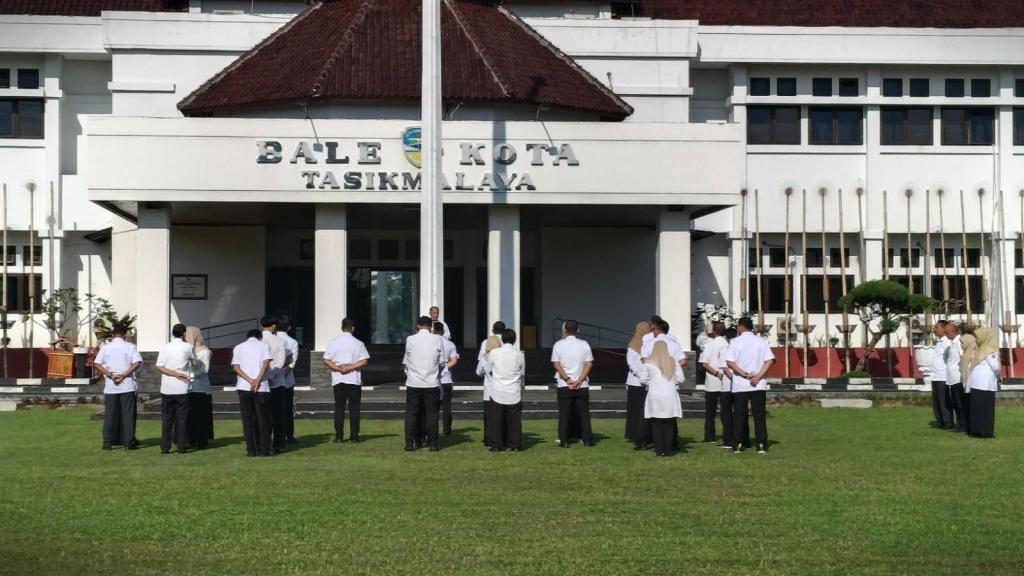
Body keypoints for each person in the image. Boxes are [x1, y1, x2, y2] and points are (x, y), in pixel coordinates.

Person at [725, 316, 775, 454]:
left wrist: (744, 374)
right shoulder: (761, 341)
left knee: (739, 415)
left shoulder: (735, 342)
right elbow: (770, 360)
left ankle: (738, 444)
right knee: (759, 415)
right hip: (758, 384)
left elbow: (730, 362)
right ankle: (761, 444)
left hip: (740, 384)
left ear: (741, 327)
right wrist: (758, 376)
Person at [94, 324, 143, 451]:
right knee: (128, 415)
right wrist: (124, 374)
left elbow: (97, 364)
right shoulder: (130, 346)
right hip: (126, 384)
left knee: (110, 414)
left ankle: (107, 442)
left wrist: (110, 375)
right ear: (125, 333)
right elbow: (137, 363)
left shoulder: (106, 347)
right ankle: (128, 442)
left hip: (111, 385)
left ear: (113, 334)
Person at [323, 317, 370, 443]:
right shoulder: (358, 343)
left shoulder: (333, 342)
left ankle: (339, 436)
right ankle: (354, 436)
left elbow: (326, 360)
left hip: (338, 379)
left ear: (341, 327)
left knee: (339, 407)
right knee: (354, 408)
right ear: (353, 328)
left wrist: (339, 368)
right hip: (353, 378)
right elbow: (364, 361)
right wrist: (350, 367)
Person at [403, 316, 446, 451]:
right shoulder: (437, 339)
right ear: (431, 326)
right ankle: (433, 443)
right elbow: (442, 362)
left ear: (418, 326)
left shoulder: (410, 339)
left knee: (412, 414)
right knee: (432, 414)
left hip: (413, 382)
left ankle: (410, 443)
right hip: (431, 382)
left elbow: (407, 361)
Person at [551, 319, 595, 447]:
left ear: (564, 330)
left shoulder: (558, 345)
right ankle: (587, 439)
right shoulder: (585, 344)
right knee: (584, 413)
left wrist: (567, 379)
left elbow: (556, 364)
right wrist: (580, 380)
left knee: (564, 413)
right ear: (578, 330)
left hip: (564, 384)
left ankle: (564, 440)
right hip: (582, 384)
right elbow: (589, 364)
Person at [481, 329, 526, 451]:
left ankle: (496, 445)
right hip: (514, 392)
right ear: (515, 340)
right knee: (515, 421)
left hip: (498, 391)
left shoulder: (495, 353)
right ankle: (515, 445)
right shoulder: (520, 354)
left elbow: (488, 368)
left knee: (496, 421)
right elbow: (522, 374)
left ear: (502, 339)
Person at [232, 329, 273, 457]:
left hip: (244, 387)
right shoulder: (264, 346)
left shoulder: (238, 347)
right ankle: (264, 449)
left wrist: (250, 380)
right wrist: (257, 380)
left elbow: (236, 368)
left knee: (247, 420)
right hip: (261, 387)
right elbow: (266, 365)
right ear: (260, 337)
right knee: (263, 419)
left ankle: (251, 449)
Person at [640, 341, 684, 457]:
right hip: (669, 393)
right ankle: (668, 450)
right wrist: (672, 381)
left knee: (656, 423)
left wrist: (652, 382)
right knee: (669, 423)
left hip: (655, 394)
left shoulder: (648, 363)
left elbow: (643, 379)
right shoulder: (673, 361)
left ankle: (659, 451)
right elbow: (681, 378)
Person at [155, 323, 194, 454]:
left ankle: (165, 447)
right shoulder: (187, 346)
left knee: (167, 419)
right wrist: (177, 373)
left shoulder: (165, 347)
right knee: (182, 418)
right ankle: (182, 446)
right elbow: (193, 360)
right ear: (183, 333)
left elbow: (160, 366)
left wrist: (172, 373)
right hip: (181, 387)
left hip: (167, 387)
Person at [261, 315, 293, 455]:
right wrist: (272, 376)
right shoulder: (279, 341)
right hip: (277, 382)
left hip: (260, 382)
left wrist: (263, 377)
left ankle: (263, 442)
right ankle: (278, 444)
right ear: (274, 326)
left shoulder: (257, 340)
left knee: (262, 416)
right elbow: (283, 361)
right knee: (278, 416)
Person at [699, 322, 730, 445]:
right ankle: (727, 435)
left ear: (714, 331)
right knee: (726, 412)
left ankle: (709, 436)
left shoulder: (709, 344)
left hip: (713, 382)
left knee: (710, 412)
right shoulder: (728, 344)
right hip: (726, 382)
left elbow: (704, 363)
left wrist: (716, 373)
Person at [965, 327, 999, 438]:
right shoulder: (979, 349)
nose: (975, 338)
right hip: (978, 383)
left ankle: (984, 431)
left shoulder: (989, 350)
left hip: (985, 383)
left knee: (985, 408)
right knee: (977, 407)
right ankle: (977, 430)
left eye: (977, 336)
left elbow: (995, 366)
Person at [476, 321, 505, 447]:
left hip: (489, 386)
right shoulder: (507, 342)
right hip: (504, 386)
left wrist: (482, 371)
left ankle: (488, 438)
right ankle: (502, 437)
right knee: (502, 415)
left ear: (493, 330)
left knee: (489, 416)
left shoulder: (486, 342)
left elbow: (481, 364)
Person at [184, 326, 214, 449]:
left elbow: (205, 369)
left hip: (201, 388)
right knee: (190, 416)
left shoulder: (204, 351)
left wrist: (188, 375)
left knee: (200, 416)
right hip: (189, 387)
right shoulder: (187, 350)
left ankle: (201, 440)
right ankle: (191, 439)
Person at [625, 321, 652, 449]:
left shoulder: (649, 345)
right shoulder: (632, 345)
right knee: (635, 410)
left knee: (644, 411)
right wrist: (641, 375)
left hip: (646, 382)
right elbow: (631, 364)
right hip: (635, 383)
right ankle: (633, 434)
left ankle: (644, 434)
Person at [277, 316, 301, 443]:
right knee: (287, 410)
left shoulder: (270, 340)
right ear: (289, 327)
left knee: (274, 410)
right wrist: (282, 375)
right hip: (287, 381)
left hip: (272, 381)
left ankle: (277, 435)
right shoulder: (292, 342)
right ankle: (289, 436)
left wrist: (275, 376)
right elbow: (292, 363)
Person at [435, 321, 459, 435]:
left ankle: (432, 428)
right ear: (443, 331)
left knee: (433, 407)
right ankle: (447, 429)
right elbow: (454, 361)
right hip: (446, 378)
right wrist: (445, 367)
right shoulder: (450, 344)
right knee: (447, 406)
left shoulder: (431, 343)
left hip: (433, 379)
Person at [929, 320, 954, 430]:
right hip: (935, 375)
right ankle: (940, 421)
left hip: (943, 376)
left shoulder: (947, 343)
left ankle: (948, 422)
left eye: (937, 327)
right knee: (936, 401)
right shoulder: (939, 342)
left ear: (944, 329)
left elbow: (950, 359)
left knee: (944, 401)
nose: (935, 329)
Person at [944, 322, 965, 433]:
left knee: (959, 403)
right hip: (952, 378)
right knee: (955, 403)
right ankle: (959, 424)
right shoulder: (952, 343)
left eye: (947, 332)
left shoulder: (959, 342)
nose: (946, 334)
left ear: (953, 331)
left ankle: (962, 425)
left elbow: (963, 357)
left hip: (957, 377)